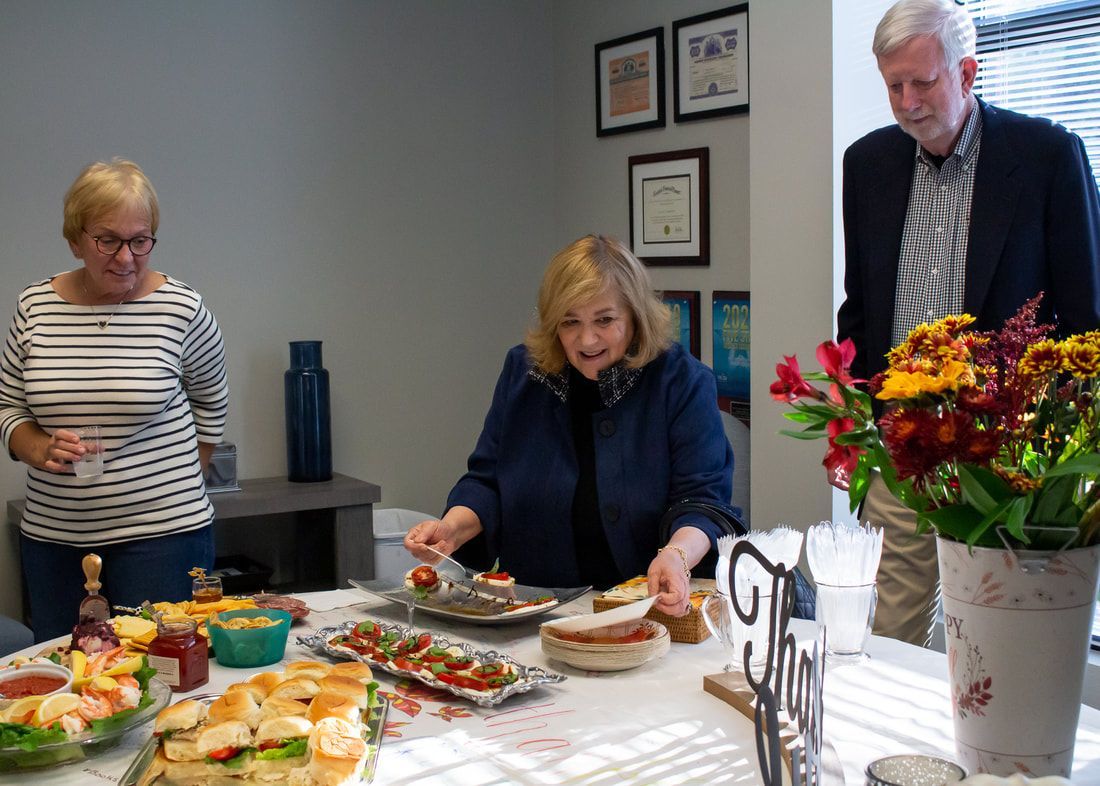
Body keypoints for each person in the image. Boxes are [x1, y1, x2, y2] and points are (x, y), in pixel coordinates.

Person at [837, 0, 1100, 645]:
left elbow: (1087, 316)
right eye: (892, 85)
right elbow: (862, 305)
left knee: (996, 630)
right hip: (904, 441)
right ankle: (899, 748)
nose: (906, 102)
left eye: (921, 82)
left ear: (968, 72)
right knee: (894, 628)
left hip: (1007, 450)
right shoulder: (866, 165)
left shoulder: (1046, 157)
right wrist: (856, 413)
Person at [404, 234, 734, 616]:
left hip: (647, 605)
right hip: (537, 603)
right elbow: (488, 480)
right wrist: (451, 529)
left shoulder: (680, 381)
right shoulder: (525, 372)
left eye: (605, 320)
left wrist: (677, 554)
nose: (586, 338)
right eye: (570, 322)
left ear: (635, 317)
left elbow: (702, 502)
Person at [0, 158, 229, 641]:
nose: (125, 257)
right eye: (108, 240)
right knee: (68, 680)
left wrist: (180, 482)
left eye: (140, 240)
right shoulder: (34, 306)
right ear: (75, 239)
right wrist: (37, 447)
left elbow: (212, 404)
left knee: (165, 670)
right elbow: (9, 408)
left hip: (164, 539)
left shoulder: (182, 307)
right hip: (54, 541)